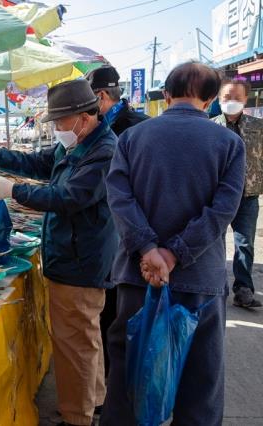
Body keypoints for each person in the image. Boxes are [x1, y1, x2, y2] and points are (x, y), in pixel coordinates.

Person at [101, 62, 246, 426]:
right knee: (199, 387)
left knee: (126, 382)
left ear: (165, 94)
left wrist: (151, 250)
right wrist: (174, 252)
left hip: (139, 276)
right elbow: (223, 210)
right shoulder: (229, 143)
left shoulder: (132, 138)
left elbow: (118, 197)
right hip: (201, 281)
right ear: (211, 99)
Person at [0, 79, 118, 426]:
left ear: (84, 117)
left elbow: (68, 198)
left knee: (73, 346)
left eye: (60, 122)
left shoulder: (103, 151)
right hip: (72, 253)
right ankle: (93, 401)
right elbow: (40, 164)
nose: (56, 128)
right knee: (85, 337)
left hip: (80, 260)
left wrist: (14, 191)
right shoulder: (75, 145)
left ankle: (77, 417)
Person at [86, 65, 150, 376]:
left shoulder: (135, 128)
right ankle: (110, 382)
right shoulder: (102, 126)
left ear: (100, 97)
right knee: (110, 312)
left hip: (128, 231)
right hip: (108, 231)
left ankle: (116, 385)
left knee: (120, 312)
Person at [213, 78, 263, 308]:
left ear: (246, 99)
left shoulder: (258, 126)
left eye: (236, 97)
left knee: (245, 244)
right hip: (217, 195)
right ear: (218, 99)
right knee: (216, 242)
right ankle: (216, 287)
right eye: (226, 97)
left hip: (248, 195)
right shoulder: (211, 127)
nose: (231, 101)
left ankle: (243, 290)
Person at [86, 65, 150, 136]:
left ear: (101, 95)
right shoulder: (97, 125)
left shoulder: (137, 127)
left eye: (89, 97)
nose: (87, 103)